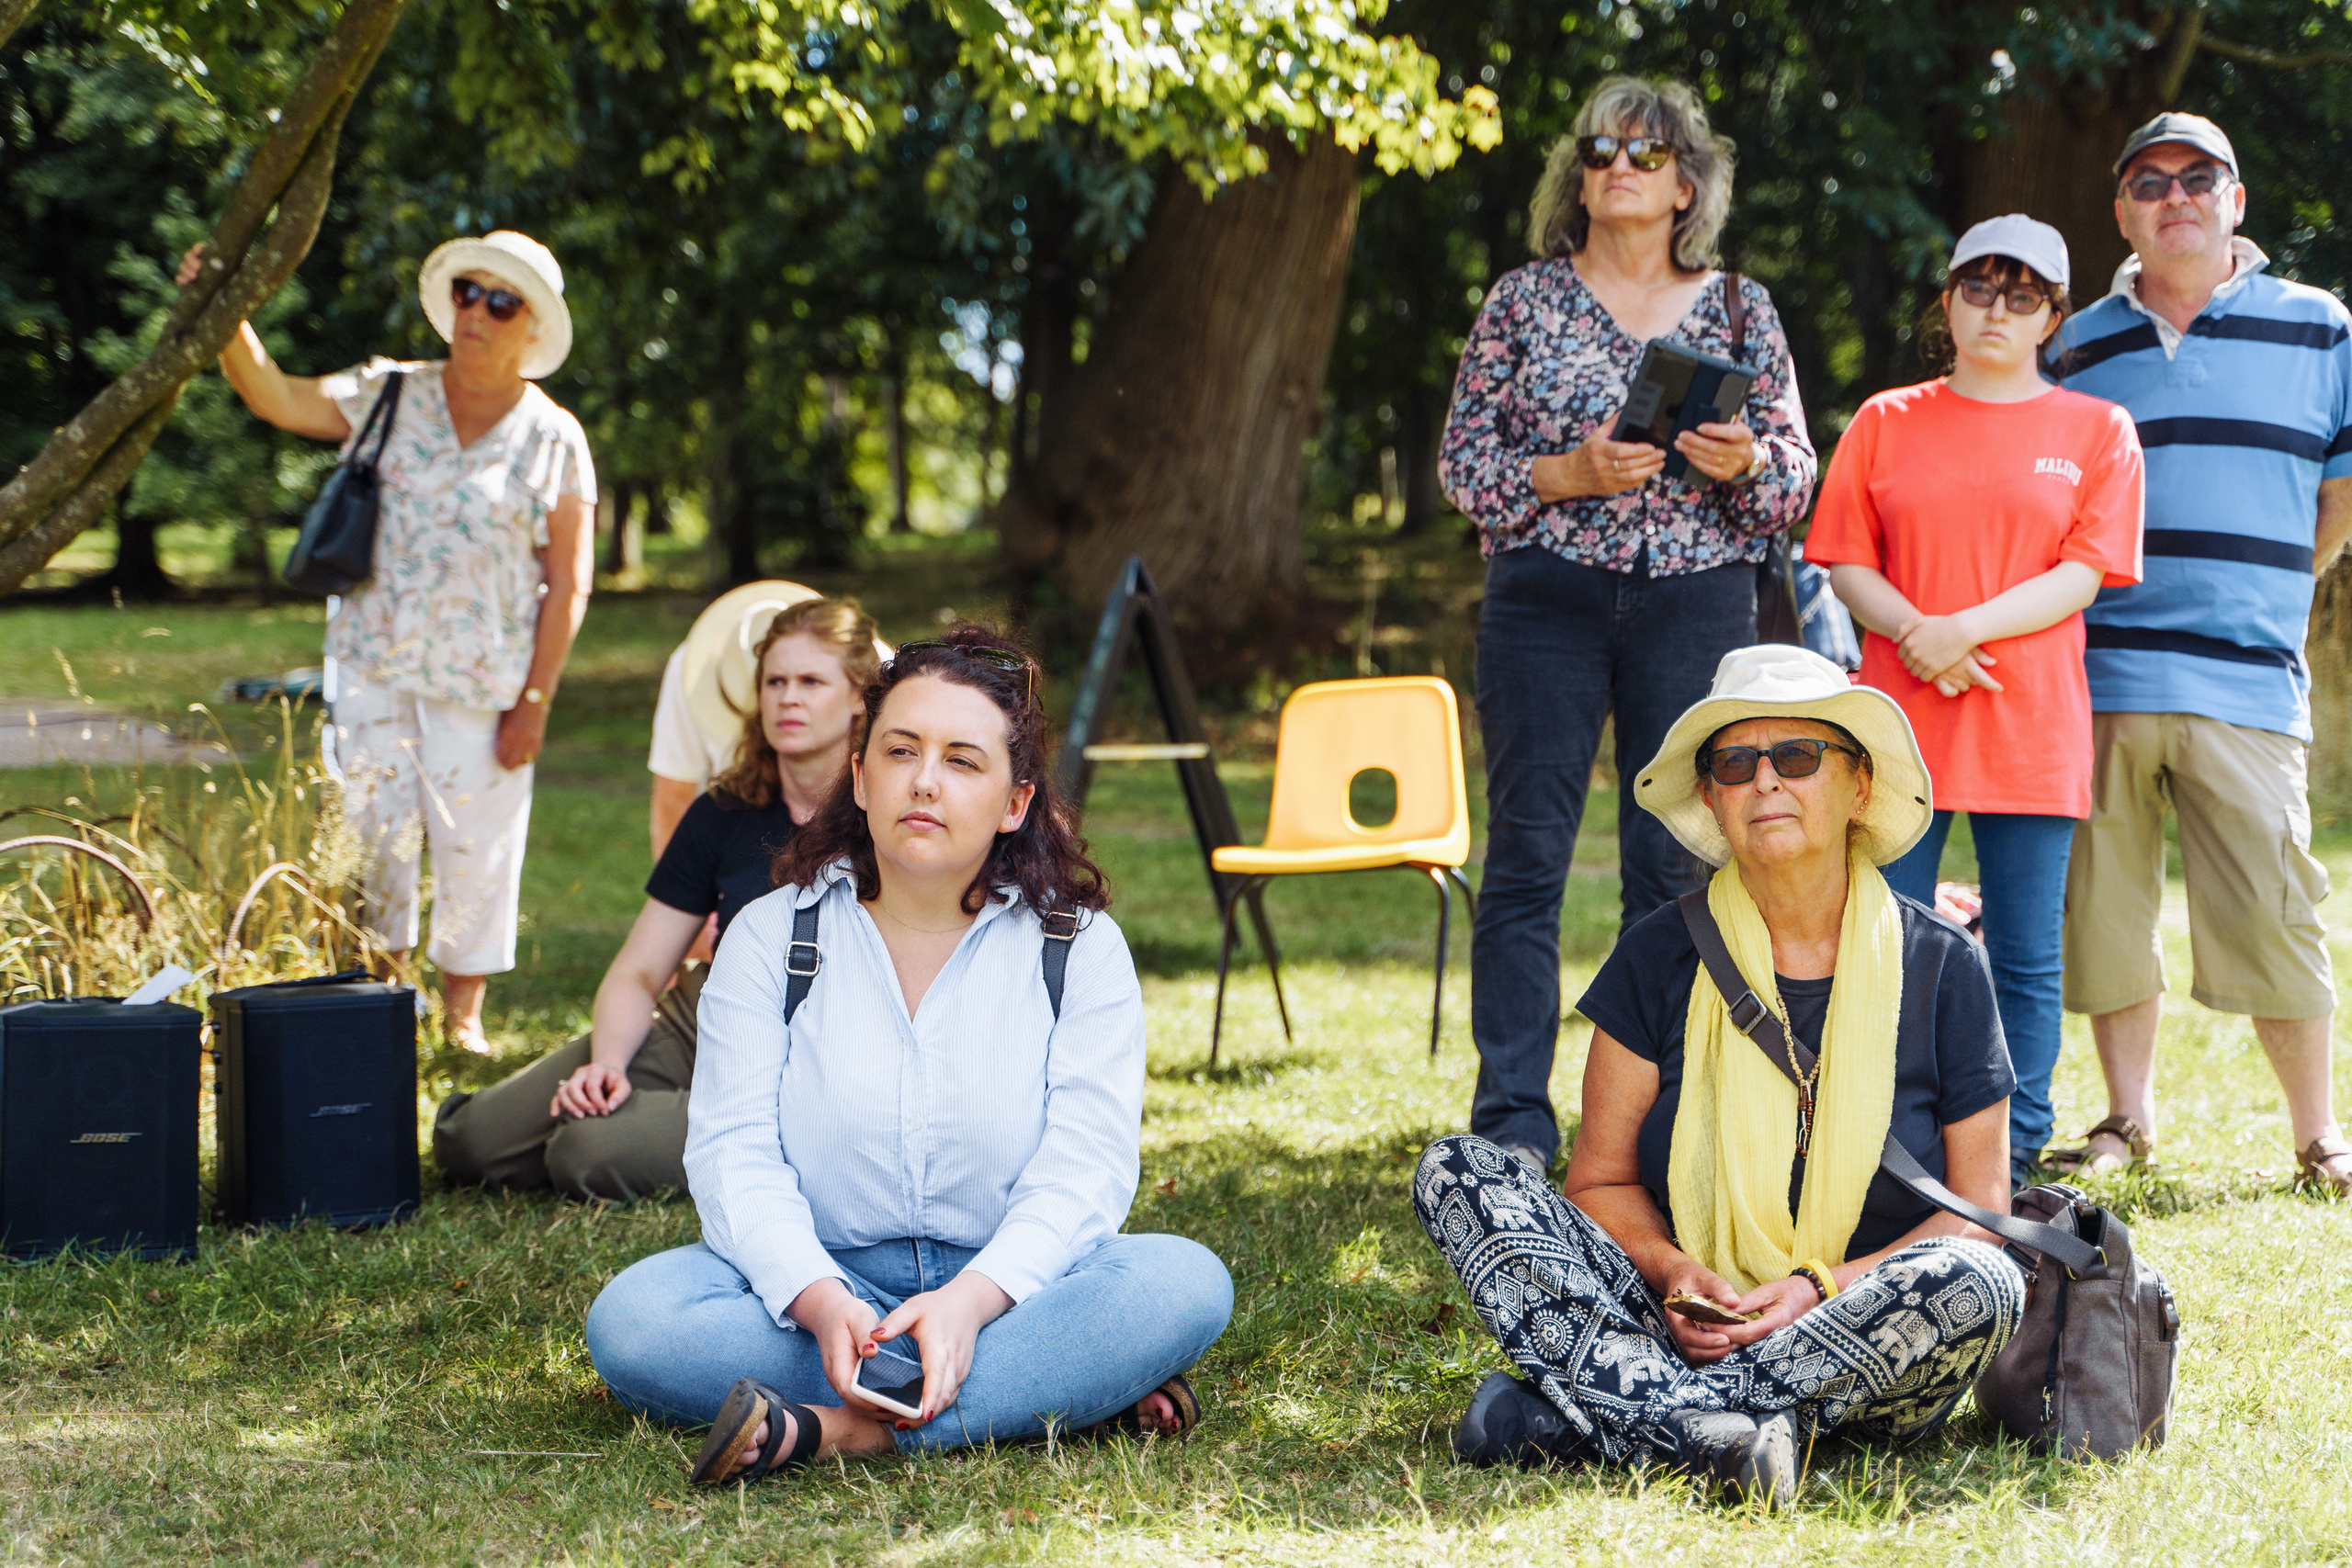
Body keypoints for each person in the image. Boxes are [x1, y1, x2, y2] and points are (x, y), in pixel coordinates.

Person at [583, 626, 1234, 1481]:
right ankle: (1056, 1385)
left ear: (1015, 802)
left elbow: (1086, 1168)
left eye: (964, 760)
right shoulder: (771, 934)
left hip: (1008, 1287)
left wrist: (970, 1302)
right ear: (860, 777)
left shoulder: (1079, 947)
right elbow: (733, 1152)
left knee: (1183, 1282)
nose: (925, 780)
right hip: (821, 1282)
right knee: (634, 1319)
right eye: (901, 751)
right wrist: (821, 1303)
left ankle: (839, 1427)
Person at [1415, 646, 2025, 1506]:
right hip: (1667, 1322)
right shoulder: (1658, 952)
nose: (1765, 781)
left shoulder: (1945, 964)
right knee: (1460, 1169)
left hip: (1857, 1334)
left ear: (1857, 786)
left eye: (1798, 755)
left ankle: (1610, 1416)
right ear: (1711, 797)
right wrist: (1672, 1271)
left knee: (1982, 1284)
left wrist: (1816, 1288)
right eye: (1736, 763)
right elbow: (1600, 1179)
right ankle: (1717, 1434)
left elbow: (1981, 1215)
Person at [1439, 76, 1818, 1180]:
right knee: (1527, 860)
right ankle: (1511, 1120)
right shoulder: (1521, 302)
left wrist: (1745, 460)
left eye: (1644, 154)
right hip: (1545, 591)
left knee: (1673, 864)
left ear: (1686, 183)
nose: (1618, 165)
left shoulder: (1742, 309)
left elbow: (1795, 479)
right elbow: (1464, 464)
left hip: (1697, 595)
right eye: (1600, 149)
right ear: (1579, 175)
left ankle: (1657, 1113)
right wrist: (1569, 472)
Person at [183, 230, 595, 1054]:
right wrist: (225, 313)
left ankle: (463, 1014)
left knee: (479, 848)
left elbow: (570, 582)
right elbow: (275, 397)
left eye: (500, 301)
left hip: (486, 685)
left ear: (532, 326)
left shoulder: (556, 438)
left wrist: (537, 700)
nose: (476, 311)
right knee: (376, 835)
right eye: (467, 293)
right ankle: (383, 996)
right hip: (372, 664)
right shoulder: (390, 391)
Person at [2046, 113, 2352, 1195]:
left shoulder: (2320, 328)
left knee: (2275, 906)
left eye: (2197, 176)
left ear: (2235, 200)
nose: (2174, 193)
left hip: (2246, 675)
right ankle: (2125, 1118)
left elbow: (2337, 500)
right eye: (2148, 179)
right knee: (2104, 910)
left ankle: (2316, 1134)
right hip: (2099, 675)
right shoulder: (2073, 342)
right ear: (2123, 209)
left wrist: (2256, 593)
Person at [1808, 215, 2144, 1188]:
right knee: (1883, 935)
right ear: (1947, 302)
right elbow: (1843, 560)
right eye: (1978, 289)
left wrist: (1960, 631)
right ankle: (1889, 1129)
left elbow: (2085, 572)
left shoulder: (2095, 430)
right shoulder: (1884, 420)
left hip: (2029, 724)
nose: (1997, 310)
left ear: (2052, 316)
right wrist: (1924, 635)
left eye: (2023, 295)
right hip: (1898, 725)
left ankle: (2021, 1134)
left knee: (2027, 950)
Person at [430, 598, 879, 1201]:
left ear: (858, 697)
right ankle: (655, 1106)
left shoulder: (887, 817)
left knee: (585, 1151)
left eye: (811, 681)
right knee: (471, 1141)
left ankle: (745, 1137)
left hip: (813, 1052)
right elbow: (640, 970)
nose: (787, 697)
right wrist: (608, 1064)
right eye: (775, 680)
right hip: (709, 1014)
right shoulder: (723, 811)